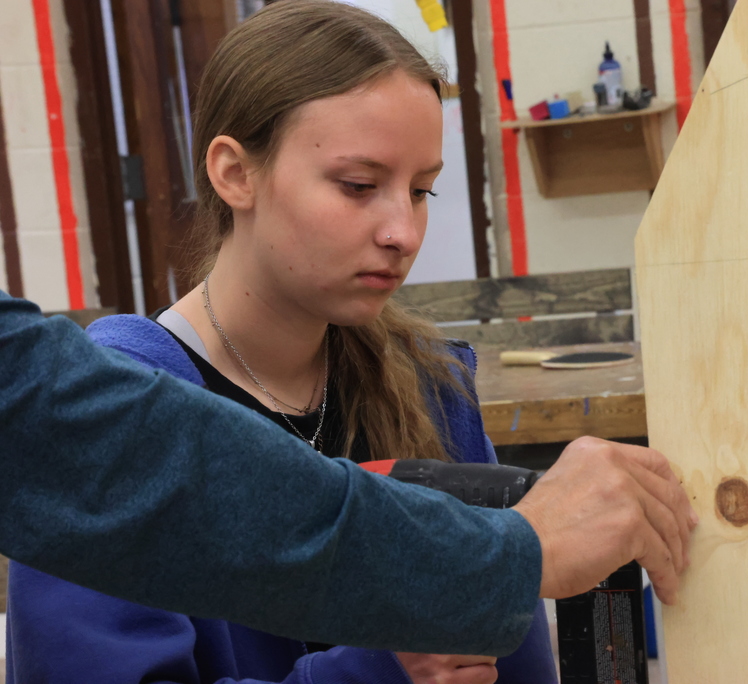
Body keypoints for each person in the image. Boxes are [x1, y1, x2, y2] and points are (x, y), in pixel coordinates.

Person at [5, 2, 697, 683]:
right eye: (359, 185)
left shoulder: (430, 388)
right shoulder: (93, 434)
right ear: (234, 172)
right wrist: (377, 671)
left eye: (422, 191)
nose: (404, 231)